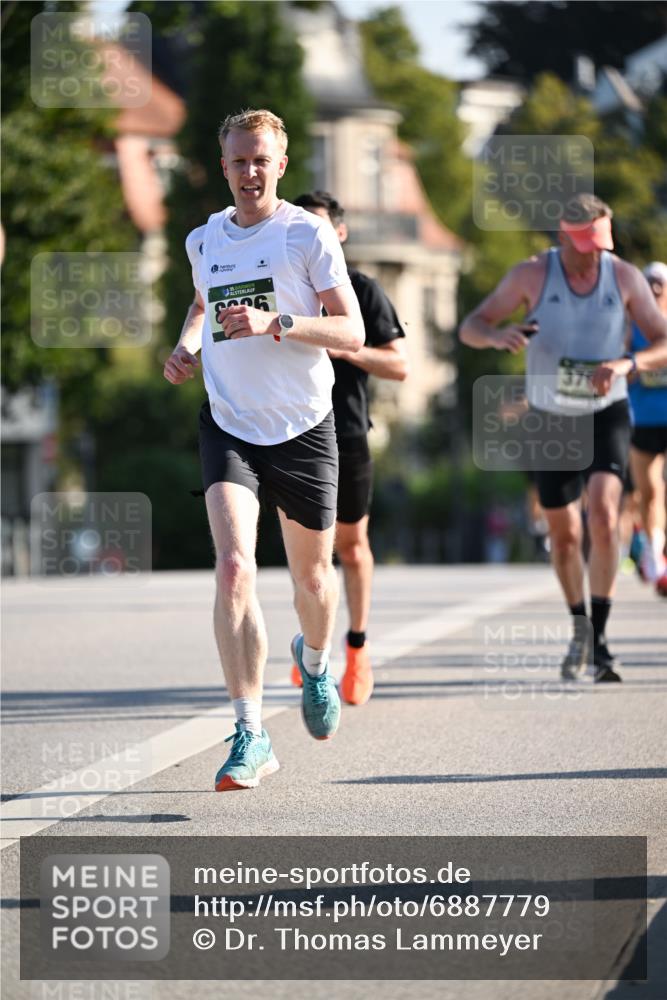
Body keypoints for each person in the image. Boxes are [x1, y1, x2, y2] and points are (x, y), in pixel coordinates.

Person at [163, 110, 364, 790]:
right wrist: (187, 346)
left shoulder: (304, 235)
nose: (248, 172)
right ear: (222, 167)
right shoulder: (204, 239)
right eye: (237, 161)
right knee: (233, 569)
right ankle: (249, 731)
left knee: (312, 582)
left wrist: (274, 321)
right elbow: (201, 304)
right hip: (228, 424)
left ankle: (313, 662)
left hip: (303, 429)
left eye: (260, 160)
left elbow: (351, 330)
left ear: (280, 165)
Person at [459, 193, 667, 682]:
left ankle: (602, 640)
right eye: (587, 245)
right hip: (550, 416)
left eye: (602, 244)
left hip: (605, 410)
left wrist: (628, 363)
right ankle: (579, 627)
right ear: (563, 238)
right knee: (565, 535)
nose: (595, 254)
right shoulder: (532, 274)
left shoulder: (623, 276)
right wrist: (498, 336)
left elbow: (664, 339)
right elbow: (473, 325)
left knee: (602, 512)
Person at [290, 191, 408, 705]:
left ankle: (356, 649)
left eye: (319, 227)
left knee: (351, 546)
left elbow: (399, 366)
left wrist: (345, 347)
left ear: (339, 234)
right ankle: (314, 647)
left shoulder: (362, 289)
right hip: (292, 432)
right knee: (307, 556)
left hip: (349, 431)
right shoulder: (286, 288)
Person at [627, 261, 667, 596]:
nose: (654, 289)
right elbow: (617, 366)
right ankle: (653, 553)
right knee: (649, 491)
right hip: (642, 418)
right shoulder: (631, 325)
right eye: (648, 284)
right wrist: (636, 366)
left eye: (659, 284)